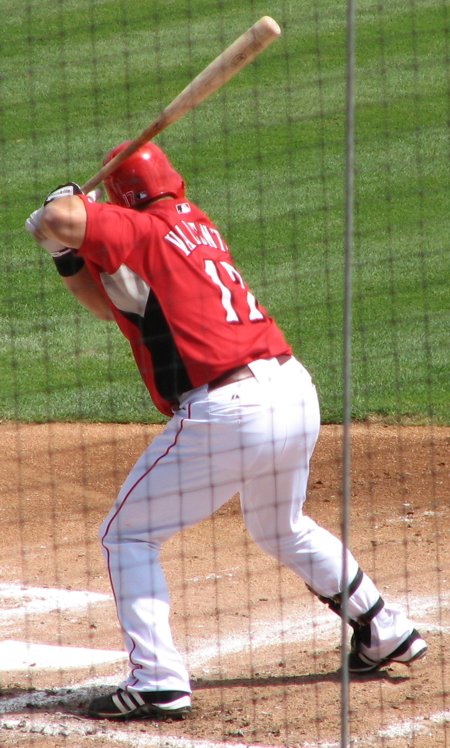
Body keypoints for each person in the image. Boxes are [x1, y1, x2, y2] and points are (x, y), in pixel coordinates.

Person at [25, 141, 427, 721]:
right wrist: (66, 250)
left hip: (230, 410)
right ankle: (384, 629)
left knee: (127, 535)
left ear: (125, 199)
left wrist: (63, 208)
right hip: (292, 390)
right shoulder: (195, 229)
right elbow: (109, 301)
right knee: (280, 525)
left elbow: (65, 218)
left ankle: (158, 680)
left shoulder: (146, 232)